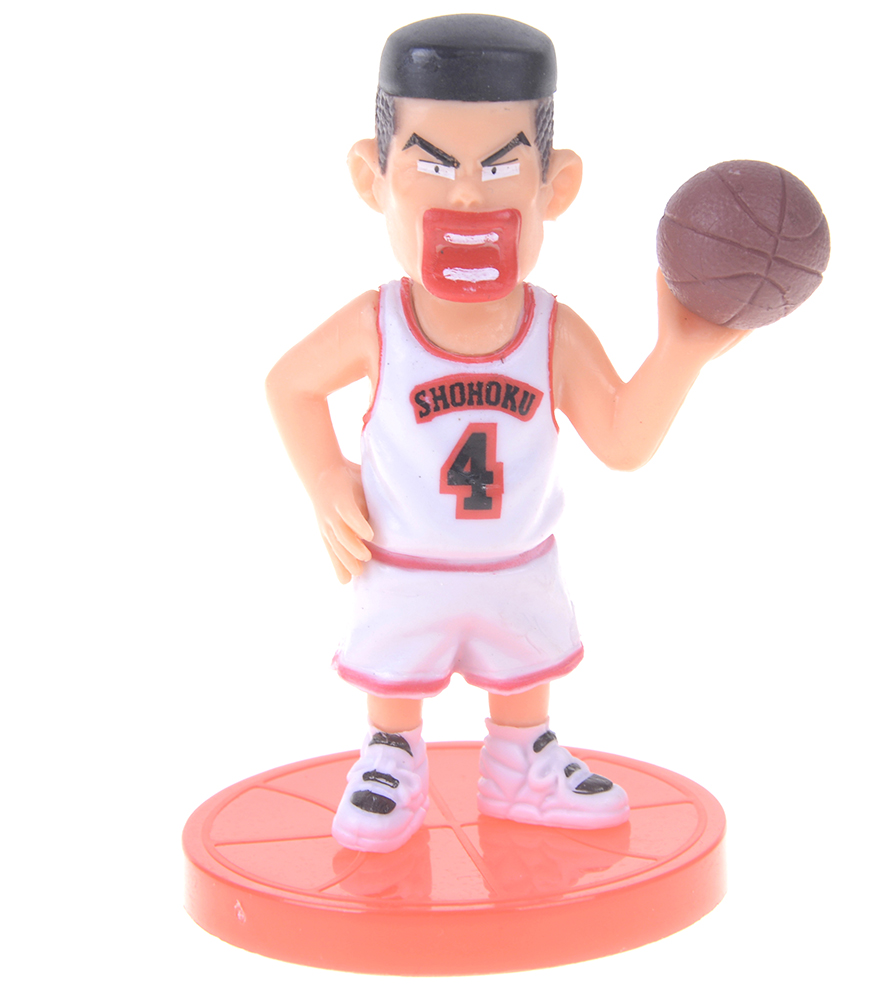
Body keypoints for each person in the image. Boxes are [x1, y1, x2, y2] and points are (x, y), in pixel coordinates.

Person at [266, 14, 748, 853]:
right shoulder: (378, 323)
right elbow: (290, 383)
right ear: (372, 177)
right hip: (404, 563)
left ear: (554, 188)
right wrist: (324, 478)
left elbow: (623, 440)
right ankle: (390, 754)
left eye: (500, 168)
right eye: (432, 165)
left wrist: (681, 352)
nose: (466, 196)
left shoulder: (551, 330)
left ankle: (522, 762)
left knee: (525, 663)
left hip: (517, 563)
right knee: (396, 666)